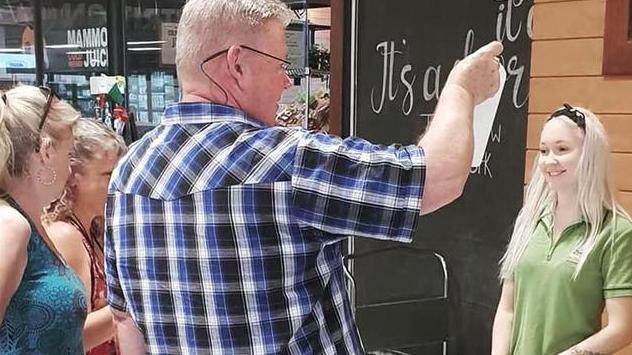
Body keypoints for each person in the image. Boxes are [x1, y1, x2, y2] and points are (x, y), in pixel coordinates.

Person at [104, 0, 503, 353]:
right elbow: (438, 179)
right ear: (237, 63)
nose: (286, 81)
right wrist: (462, 89)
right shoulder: (287, 161)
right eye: (280, 64)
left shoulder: (127, 174)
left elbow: (125, 322)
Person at [491, 105, 632, 355]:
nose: (549, 160)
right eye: (544, 150)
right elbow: (507, 310)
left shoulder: (616, 232)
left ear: (590, 155)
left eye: (562, 149)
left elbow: (622, 328)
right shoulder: (529, 220)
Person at [0, 85, 85, 353]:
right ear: (46, 151)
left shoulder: (28, 222)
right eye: (69, 154)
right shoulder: (12, 225)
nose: (70, 169)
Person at [44, 118, 127, 354]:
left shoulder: (95, 228)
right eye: (108, 175)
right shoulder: (64, 235)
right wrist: (138, 298)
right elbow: (73, 334)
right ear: (73, 178)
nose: (118, 185)